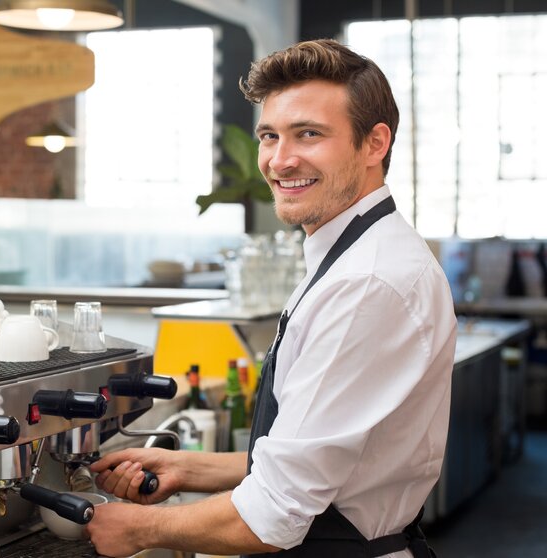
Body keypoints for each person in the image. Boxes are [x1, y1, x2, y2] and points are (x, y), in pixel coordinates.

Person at [87, 38, 457, 558]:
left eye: (309, 134)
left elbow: (273, 517)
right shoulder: (351, 253)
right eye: (269, 136)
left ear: (375, 144)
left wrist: (137, 529)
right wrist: (191, 467)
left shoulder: (366, 283)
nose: (280, 161)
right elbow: (330, 456)